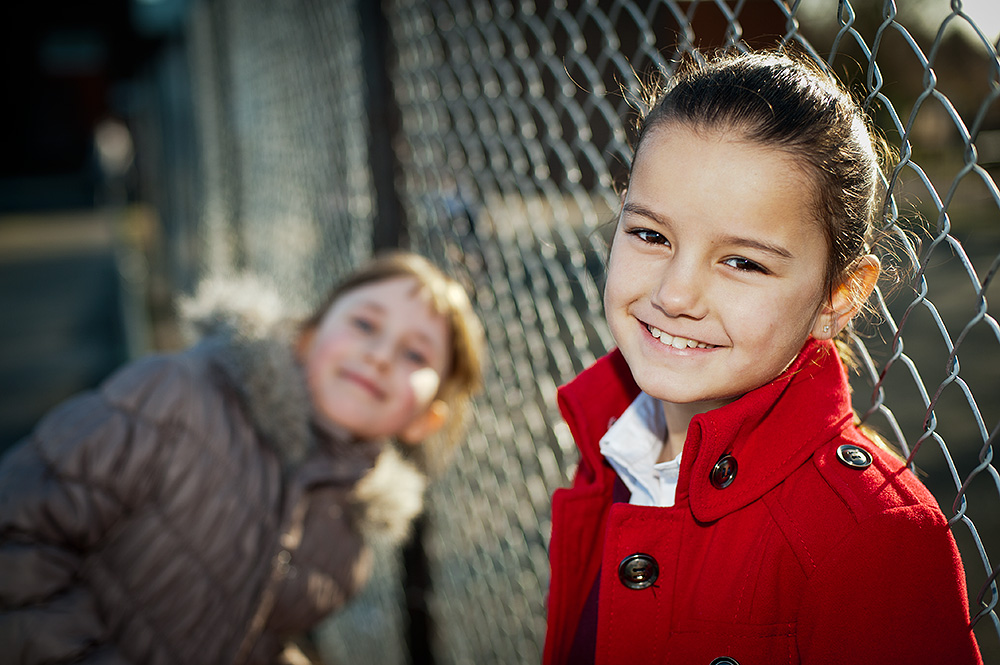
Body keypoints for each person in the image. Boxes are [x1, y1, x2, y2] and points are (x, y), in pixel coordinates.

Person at [543, 51, 983, 664]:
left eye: (742, 262)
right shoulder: (612, 444)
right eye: (651, 234)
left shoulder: (872, 537)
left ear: (838, 296)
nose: (673, 294)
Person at [0, 251, 483, 665]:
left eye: (416, 355)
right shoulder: (177, 398)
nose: (380, 355)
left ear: (425, 421)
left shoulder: (347, 548)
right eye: (364, 324)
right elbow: (18, 534)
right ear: (307, 336)